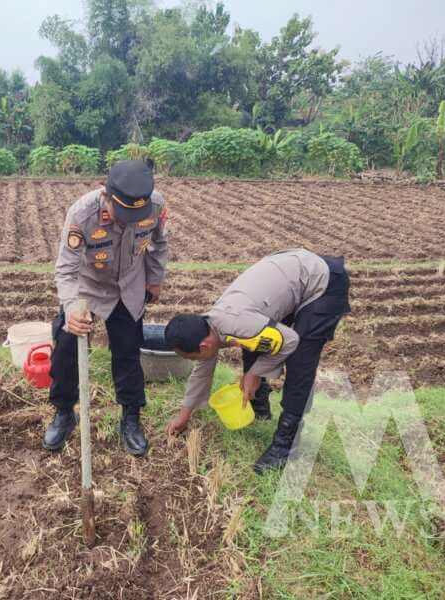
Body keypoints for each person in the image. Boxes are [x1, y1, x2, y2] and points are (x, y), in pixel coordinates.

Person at [164, 248, 351, 474]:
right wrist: (184, 416)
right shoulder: (208, 326)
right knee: (255, 341)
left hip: (322, 282)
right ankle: (259, 406)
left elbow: (290, 341)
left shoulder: (234, 323)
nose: (197, 361)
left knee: (300, 360)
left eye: (192, 357)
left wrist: (254, 373)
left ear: (204, 346)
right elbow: (202, 372)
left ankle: (285, 445)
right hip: (290, 274)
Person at [44, 160, 169, 456]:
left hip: (129, 285)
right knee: (66, 349)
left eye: (135, 216)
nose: (127, 221)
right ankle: (64, 412)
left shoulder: (155, 205)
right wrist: (72, 307)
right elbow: (66, 269)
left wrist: (154, 279)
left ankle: (131, 417)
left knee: (128, 352)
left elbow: (159, 243)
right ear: (105, 194)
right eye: (122, 214)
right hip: (89, 287)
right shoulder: (82, 214)